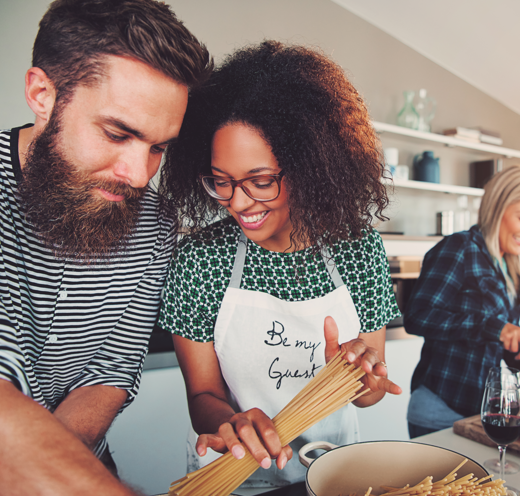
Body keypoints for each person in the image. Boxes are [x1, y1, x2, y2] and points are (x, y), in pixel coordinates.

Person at [0, 1, 212, 494]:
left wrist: (50, 471)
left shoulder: (155, 222)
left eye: (158, 148)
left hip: (78, 467)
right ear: (42, 93)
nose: (139, 175)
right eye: (116, 133)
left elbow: (110, 374)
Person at [156, 41, 402, 489]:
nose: (238, 202)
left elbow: (369, 395)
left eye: (261, 181)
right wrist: (233, 422)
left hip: (334, 473)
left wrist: (358, 376)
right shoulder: (201, 260)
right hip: (238, 476)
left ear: (311, 167)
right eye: (221, 181)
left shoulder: (359, 249)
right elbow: (202, 395)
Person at [404, 165, 520, 438]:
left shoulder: (511, 267)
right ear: (498, 209)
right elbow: (418, 316)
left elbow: (510, 347)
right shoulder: (459, 248)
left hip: (481, 412)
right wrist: (494, 327)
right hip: (439, 410)